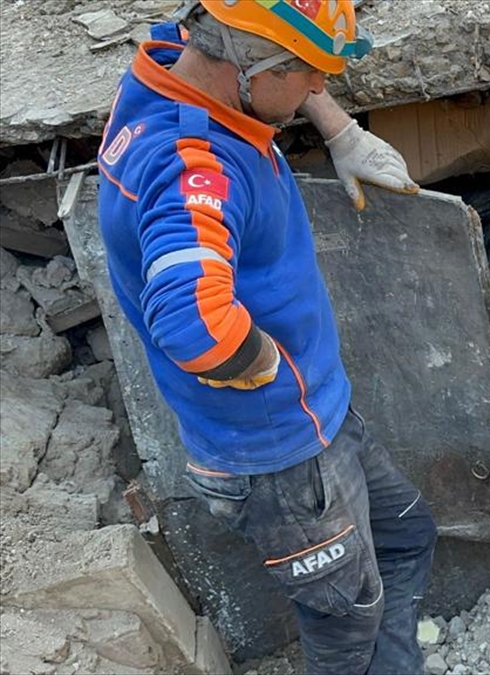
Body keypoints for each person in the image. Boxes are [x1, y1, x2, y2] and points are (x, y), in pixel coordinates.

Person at [96, 2, 435, 672]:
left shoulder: (175, 61)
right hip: (281, 455)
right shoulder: (195, 168)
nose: (315, 87)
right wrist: (268, 362)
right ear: (246, 65)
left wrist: (338, 130)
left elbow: (272, 57)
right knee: (345, 620)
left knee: (406, 536)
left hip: (317, 417)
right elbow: (194, 325)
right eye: (305, 74)